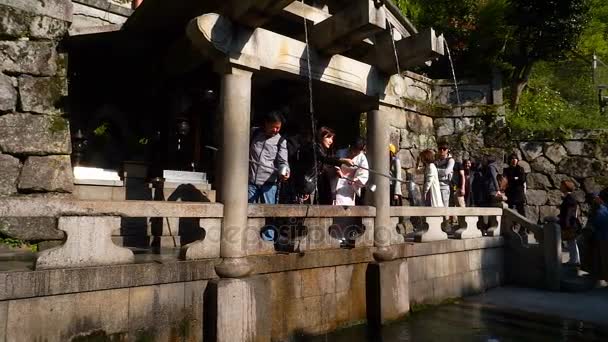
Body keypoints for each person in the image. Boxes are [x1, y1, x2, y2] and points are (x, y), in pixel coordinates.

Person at [292, 126, 353, 204]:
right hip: (305, 183)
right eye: (328, 138)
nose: (331, 141)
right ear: (320, 137)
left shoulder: (319, 148)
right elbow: (324, 158)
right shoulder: (314, 147)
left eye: (332, 139)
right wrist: (343, 160)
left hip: (310, 184)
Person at [248, 111, 289, 204]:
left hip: (269, 185)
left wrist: (285, 171)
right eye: (273, 127)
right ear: (266, 124)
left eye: (278, 127)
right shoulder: (254, 133)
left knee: (269, 214)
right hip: (251, 183)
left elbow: (283, 162)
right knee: (248, 211)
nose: (275, 130)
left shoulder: (281, 141)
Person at [581, 189, 608, 283]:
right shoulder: (601, 209)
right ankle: (598, 275)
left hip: (602, 237)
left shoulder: (600, 210)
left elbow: (595, 224)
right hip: (600, 237)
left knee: (602, 259)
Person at [332, 138, 369, 206]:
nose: (353, 153)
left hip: (350, 184)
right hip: (337, 180)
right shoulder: (341, 152)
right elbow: (334, 163)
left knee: (347, 205)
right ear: (350, 146)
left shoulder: (362, 158)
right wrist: (337, 170)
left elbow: (364, 173)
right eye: (353, 150)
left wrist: (356, 179)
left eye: (356, 152)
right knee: (335, 201)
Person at [559, 180, 581, 265]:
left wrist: (566, 224)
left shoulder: (570, 199)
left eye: (562, 185)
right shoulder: (568, 198)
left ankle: (574, 260)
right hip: (570, 223)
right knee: (571, 242)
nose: (560, 187)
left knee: (571, 242)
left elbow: (569, 213)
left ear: (566, 187)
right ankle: (575, 260)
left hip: (570, 224)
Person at [436, 143, 455, 208]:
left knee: (444, 206)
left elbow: (446, 172)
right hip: (436, 186)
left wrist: (435, 170)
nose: (442, 150)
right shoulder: (436, 160)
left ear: (447, 150)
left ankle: (446, 218)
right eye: (440, 149)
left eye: (444, 149)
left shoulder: (450, 160)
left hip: (445, 186)